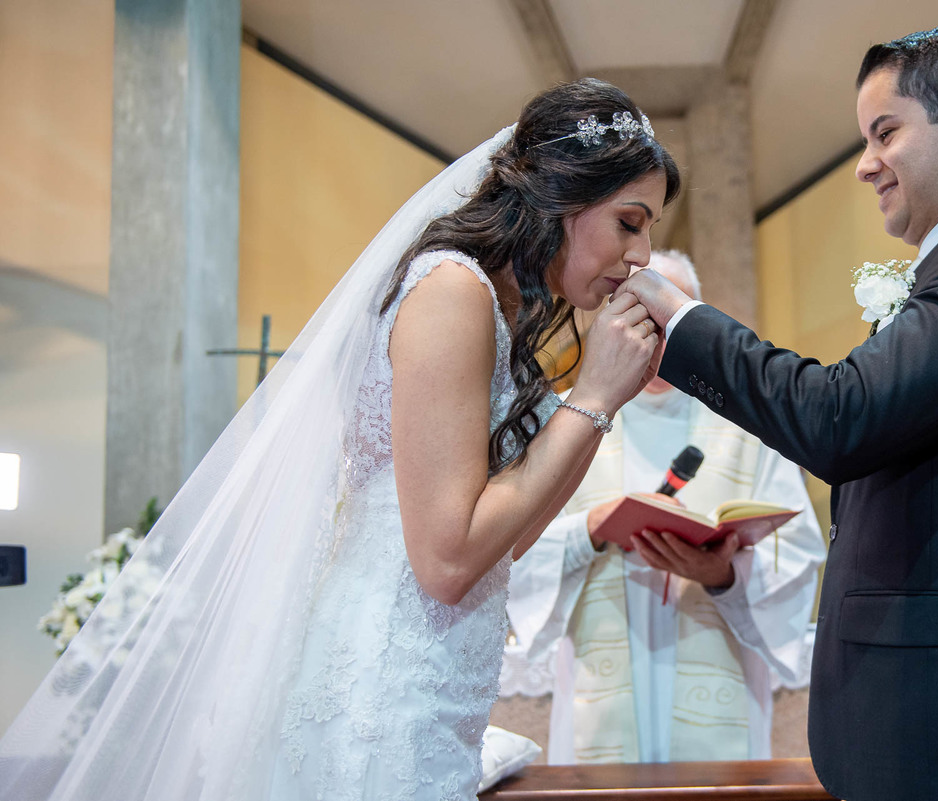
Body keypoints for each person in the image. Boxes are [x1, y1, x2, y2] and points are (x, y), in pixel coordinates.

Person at [0, 78, 680, 801]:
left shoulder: (496, 306)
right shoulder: (452, 292)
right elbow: (448, 560)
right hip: (380, 690)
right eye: (629, 222)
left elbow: (505, 540)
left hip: (429, 685)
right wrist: (593, 396)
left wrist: (601, 403)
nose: (641, 254)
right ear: (561, 195)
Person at [618, 28, 938, 801]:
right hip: (936, 719)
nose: (864, 164)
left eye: (884, 132)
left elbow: (842, 417)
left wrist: (684, 321)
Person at [505, 250, 826, 765]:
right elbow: (510, 548)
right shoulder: (565, 418)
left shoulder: (748, 426)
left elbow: (797, 554)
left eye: (671, 324)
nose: (656, 341)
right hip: (600, 692)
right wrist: (590, 529)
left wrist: (723, 574)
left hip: (717, 683)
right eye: (640, 320)